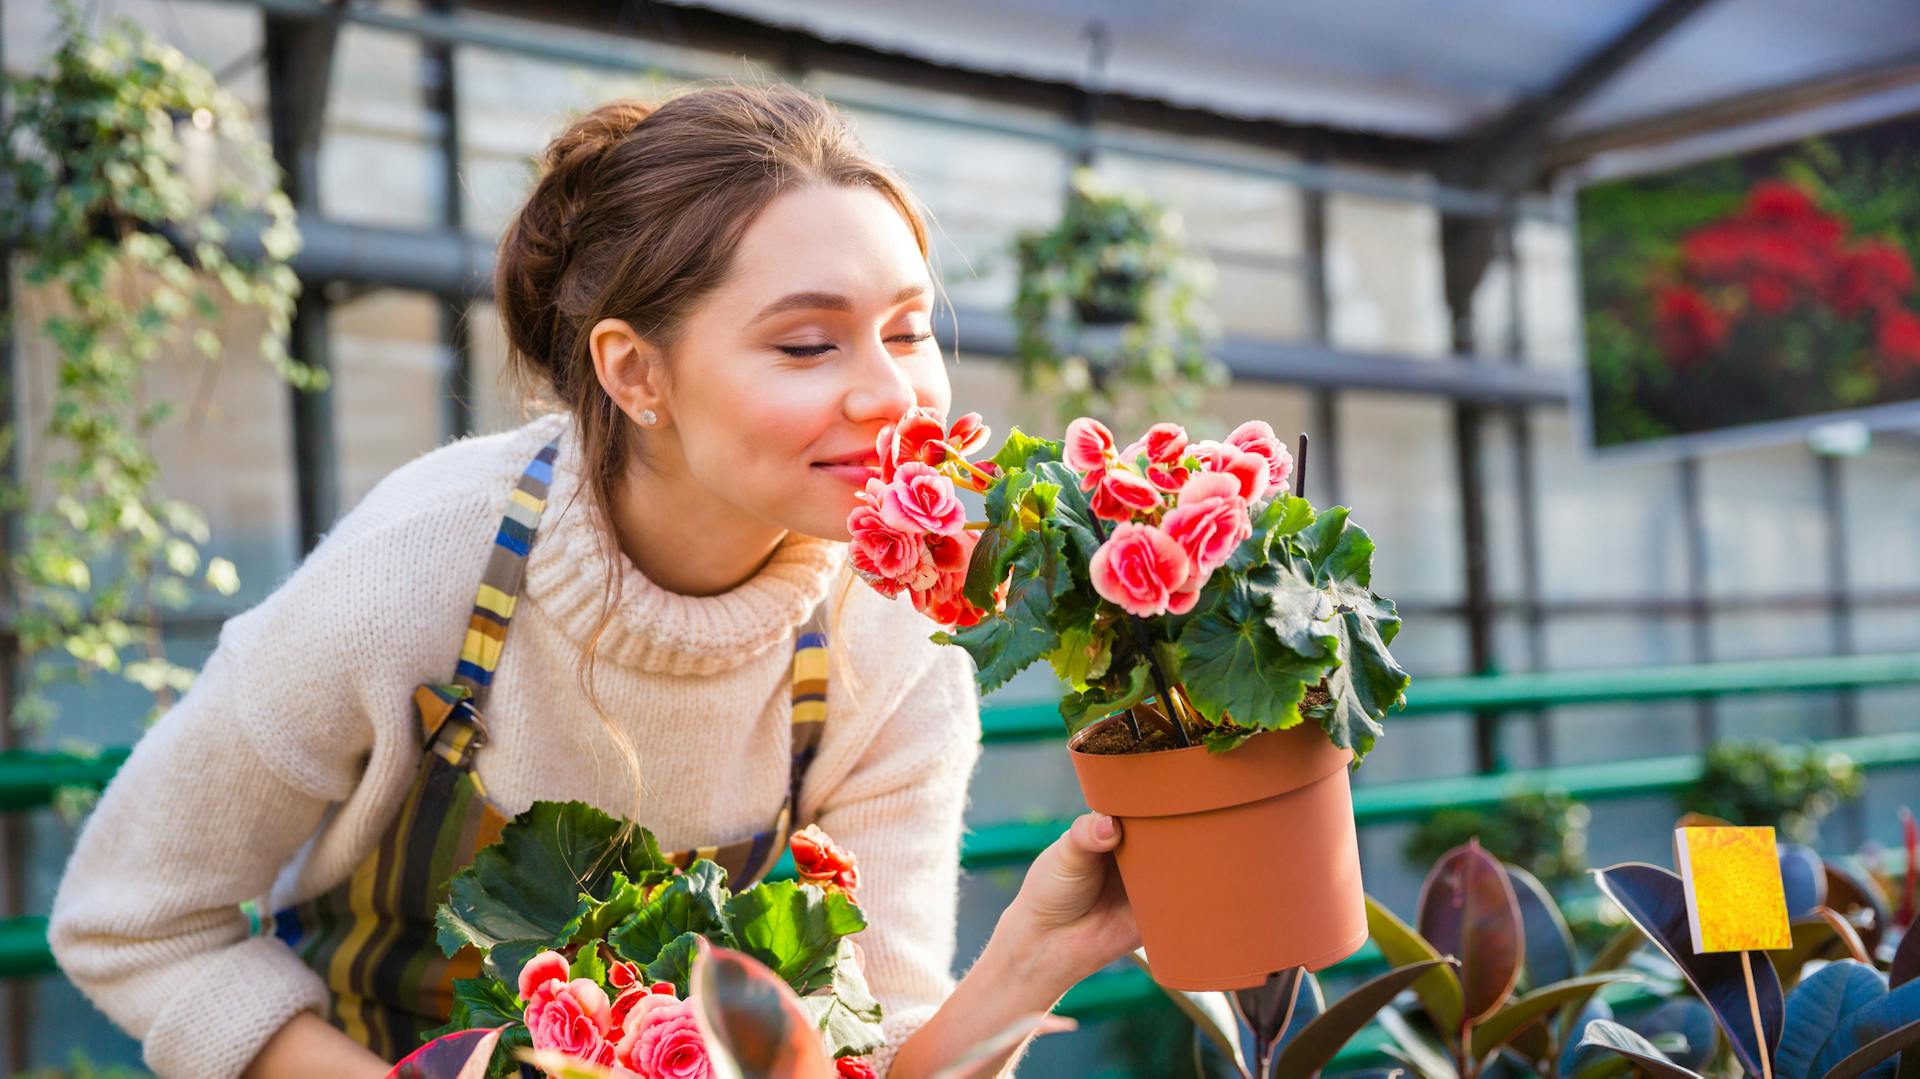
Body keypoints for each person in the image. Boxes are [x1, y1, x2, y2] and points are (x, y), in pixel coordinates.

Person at [47, 83, 1139, 1079]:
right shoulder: (420, 566)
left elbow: (874, 1047)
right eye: (810, 343)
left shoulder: (899, 636)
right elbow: (129, 918)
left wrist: (1028, 964)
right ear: (633, 370)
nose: (895, 393)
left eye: (908, 329)